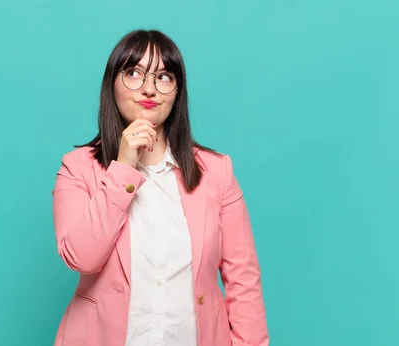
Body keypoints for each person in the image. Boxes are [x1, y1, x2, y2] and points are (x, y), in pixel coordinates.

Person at [51, 29, 269, 346]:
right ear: (111, 84)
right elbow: (81, 258)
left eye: (164, 76)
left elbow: (243, 278)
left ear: (177, 91)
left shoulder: (216, 171)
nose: (149, 89)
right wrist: (123, 168)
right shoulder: (78, 167)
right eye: (134, 73)